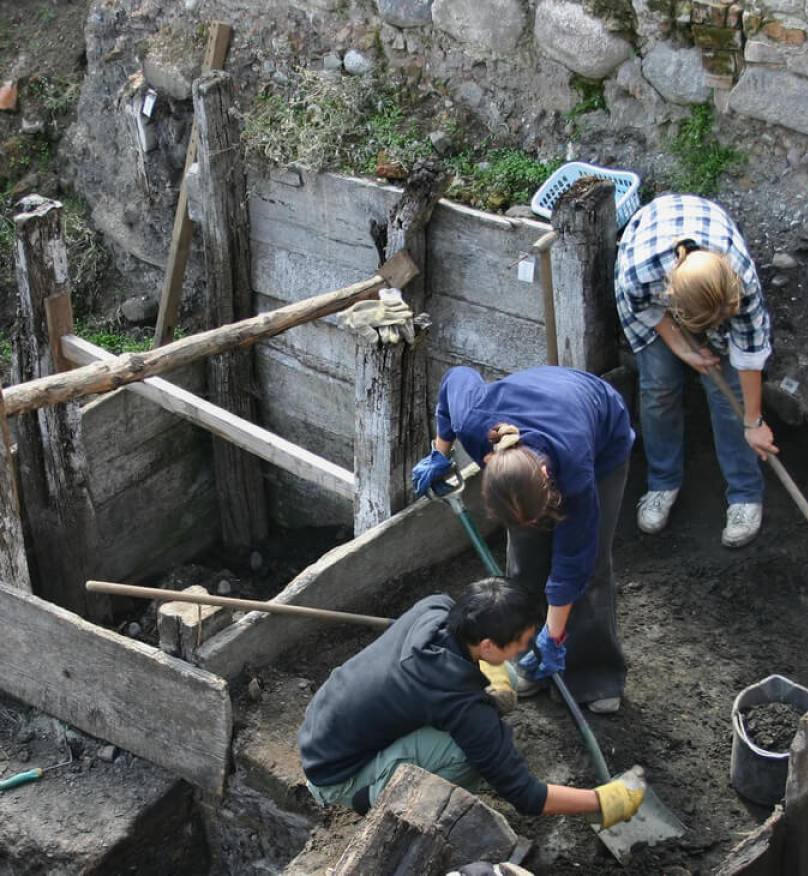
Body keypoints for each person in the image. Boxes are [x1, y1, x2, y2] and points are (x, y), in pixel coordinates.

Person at [297, 577, 644, 827]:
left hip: (323, 727)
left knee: (503, 675)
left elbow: (479, 670)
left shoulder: (434, 607)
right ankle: (376, 798)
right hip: (335, 776)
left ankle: (387, 767)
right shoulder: (459, 704)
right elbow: (525, 795)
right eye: (522, 641)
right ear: (488, 644)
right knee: (467, 754)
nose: (527, 647)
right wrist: (603, 800)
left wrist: (491, 680)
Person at [412, 365, 635, 714]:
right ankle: (527, 654)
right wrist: (441, 453)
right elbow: (455, 378)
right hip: (535, 420)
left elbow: (574, 560)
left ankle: (593, 676)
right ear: (489, 465)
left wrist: (555, 635)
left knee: (589, 573)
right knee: (525, 562)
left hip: (600, 428)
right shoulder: (474, 423)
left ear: (547, 478)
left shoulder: (575, 467)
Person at [614, 193, 779, 548]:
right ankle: (662, 482)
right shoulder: (640, 275)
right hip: (653, 294)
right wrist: (681, 347)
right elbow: (644, 308)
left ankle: (745, 494)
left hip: (705, 258)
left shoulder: (741, 281)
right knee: (659, 385)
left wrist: (754, 421)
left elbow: (749, 353)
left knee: (726, 393)